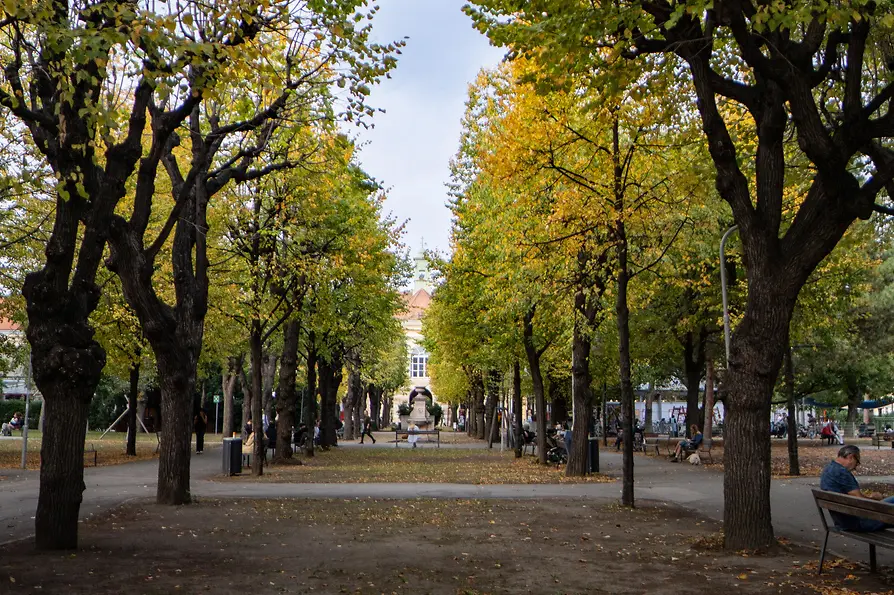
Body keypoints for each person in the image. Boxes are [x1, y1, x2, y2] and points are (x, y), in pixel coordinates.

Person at [820, 445, 894, 531]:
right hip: (858, 522)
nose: (855, 467)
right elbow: (860, 501)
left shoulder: (828, 469)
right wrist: (873, 498)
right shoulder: (842, 473)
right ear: (850, 457)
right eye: (857, 462)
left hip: (841, 521)